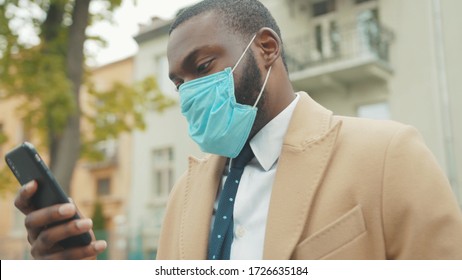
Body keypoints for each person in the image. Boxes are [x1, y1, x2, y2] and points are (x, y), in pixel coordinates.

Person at [14, 0, 462, 260]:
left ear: (266, 48)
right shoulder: (182, 194)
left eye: (202, 67)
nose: (189, 92)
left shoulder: (388, 154)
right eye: (177, 82)